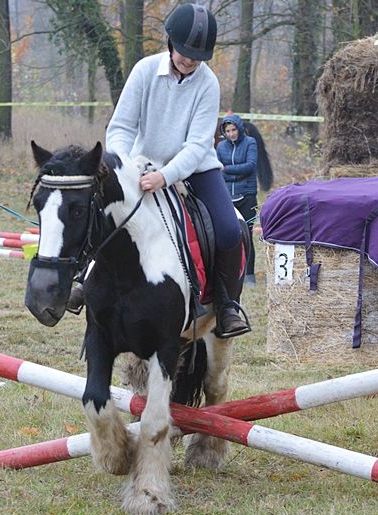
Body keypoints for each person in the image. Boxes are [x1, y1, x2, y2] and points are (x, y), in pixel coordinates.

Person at [103, 3, 250, 338]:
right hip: (141, 163)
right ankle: (87, 278)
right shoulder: (143, 71)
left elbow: (198, 145)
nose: (189, 59)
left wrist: (166, 176)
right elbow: (122, 127)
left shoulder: (208, 84)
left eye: (197, 56)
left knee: (228, 229)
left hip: (196, 169)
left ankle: (227, 305)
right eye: (184, 51)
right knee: (106, 212)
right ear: (171, 43)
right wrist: (121, 164)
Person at [217, 113, 258, 286]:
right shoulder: (220, 147)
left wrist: (227, 169)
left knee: (247, 235)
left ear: (239, 129)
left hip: (247, 195)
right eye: (228, 131)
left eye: (234, 130)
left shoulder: (250, 143)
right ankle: (230, 273)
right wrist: (235, 173)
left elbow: (250, 166)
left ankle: (249, 275)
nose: (231, 133)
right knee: (230, 235)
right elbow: (217, 169)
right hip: (227, 196)